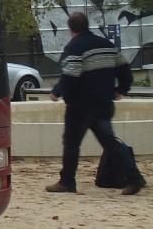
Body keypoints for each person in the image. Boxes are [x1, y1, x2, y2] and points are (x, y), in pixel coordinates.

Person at [46, 12, 146, 195]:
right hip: (104, 104)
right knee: (110, 143)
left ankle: (67, 181)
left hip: (80, 107)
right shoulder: (107, 45)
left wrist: (57, 91)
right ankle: (135, 178)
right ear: (87, 26)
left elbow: (71, 74)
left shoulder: (74, 47)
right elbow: (125, 70)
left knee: (71, 143)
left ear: (71, 29)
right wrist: (122, 89)